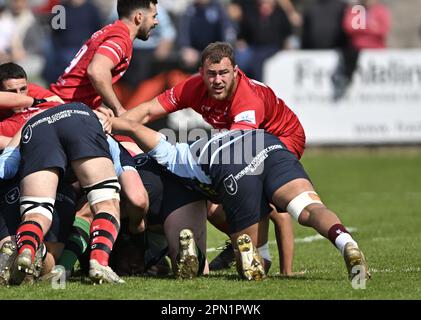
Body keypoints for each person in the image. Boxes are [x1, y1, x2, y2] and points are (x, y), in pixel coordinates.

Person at [100, 112, 371, 282]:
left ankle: (248, 249)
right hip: (267, 142)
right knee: (308, 207)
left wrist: (112, 122)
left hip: (229, 165)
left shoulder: (177, 156)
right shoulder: (210, 140)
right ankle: (345, 241)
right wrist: (121, 122)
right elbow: (281, 217)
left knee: (257, 264)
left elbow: (141, 132)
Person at [120, 41, 305, 276]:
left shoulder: (246, 99)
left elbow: (238, 149)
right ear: (201, 73)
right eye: (211, 74)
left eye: (222, 74)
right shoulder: (193, 87)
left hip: (282, 136)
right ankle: (238, 242)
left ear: (235, 72)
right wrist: (116, 125)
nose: (216, 81)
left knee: (269, 199)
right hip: (240, 137)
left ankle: (286, 271)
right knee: (210, 201)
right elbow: (148, 110)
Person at [3, 102, 124, 285]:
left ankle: (28, 249)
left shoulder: (31, 118)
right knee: (106, 201)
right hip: (78, 116)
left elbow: (7, 166)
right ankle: (99, 263)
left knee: (36, 212)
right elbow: (126, 182)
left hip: (36, 127)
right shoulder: (101, 127)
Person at [49, 0, 159, 117]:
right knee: (128, 133)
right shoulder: (120, 39)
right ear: (139, 17)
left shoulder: (111, 30)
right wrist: (119, 109)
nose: (156, 22)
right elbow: (97, 71)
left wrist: (96, 107)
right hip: (66, 109)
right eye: (154, 16)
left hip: (66, 105)